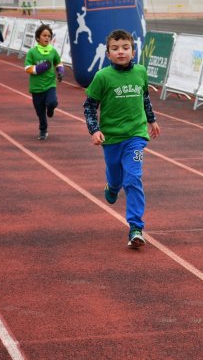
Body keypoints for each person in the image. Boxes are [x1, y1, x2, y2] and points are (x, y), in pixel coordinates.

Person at [83, 29, 160, 248]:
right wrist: (94, 130)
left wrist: (152, 119)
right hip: (111, 138)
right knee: (117, 178)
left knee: (133, 178)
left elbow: (144, 97)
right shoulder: (102, 77)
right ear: (108, 54)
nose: (121, 52)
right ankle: (112, 186)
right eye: (115, 49)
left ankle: (136, 227)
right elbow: (89, 106)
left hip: (135, 135)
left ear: (133, 51)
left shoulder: (141, 72)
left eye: (125, 48)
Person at [24, 24, 64, 140]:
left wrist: (60, 71)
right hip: (36, 87)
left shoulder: (53, 51)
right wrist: (40, 68)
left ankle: (51, 108)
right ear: (38, 38)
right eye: (44, 35)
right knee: (40, 112)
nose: (47, 38)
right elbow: (27, 68)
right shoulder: (32, 52)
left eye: (49, 36)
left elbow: (58, 62)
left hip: (50, 84)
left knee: (51, 102)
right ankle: (43, 129)